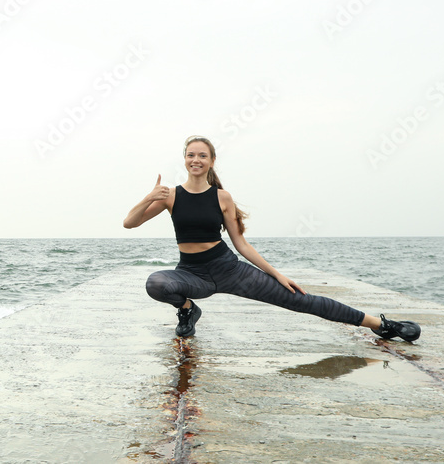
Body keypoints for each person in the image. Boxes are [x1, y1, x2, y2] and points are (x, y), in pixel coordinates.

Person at [123, 135, 421, 342]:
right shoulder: (170, 196)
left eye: (202, 155)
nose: (196, 160)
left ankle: (380, 324)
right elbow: (129, 223)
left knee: (300, 300)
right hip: (192, 274)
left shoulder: (223, 197)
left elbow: (241, 244)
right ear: (185, 160)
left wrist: (277, 275)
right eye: (191, 155)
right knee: (156, 284)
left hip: (228, 269)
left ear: (212, 161)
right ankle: (188, 310)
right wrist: (149, 197)